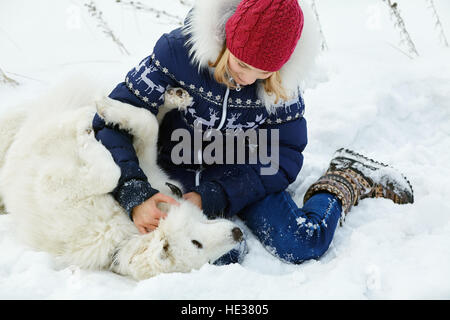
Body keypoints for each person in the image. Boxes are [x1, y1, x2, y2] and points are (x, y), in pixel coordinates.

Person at [93, 0, 414, 265]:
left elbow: (285, 154)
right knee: (219, 257)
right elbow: (113, 120)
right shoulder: (176, 54)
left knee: (301, 242)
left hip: (242, 176)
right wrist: (134, 194)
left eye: (264, 72)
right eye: (242, 65)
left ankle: (346, 177)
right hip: (173, 169)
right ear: (225, 41)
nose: (249, 79)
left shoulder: (282, 86)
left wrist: (216, 195)